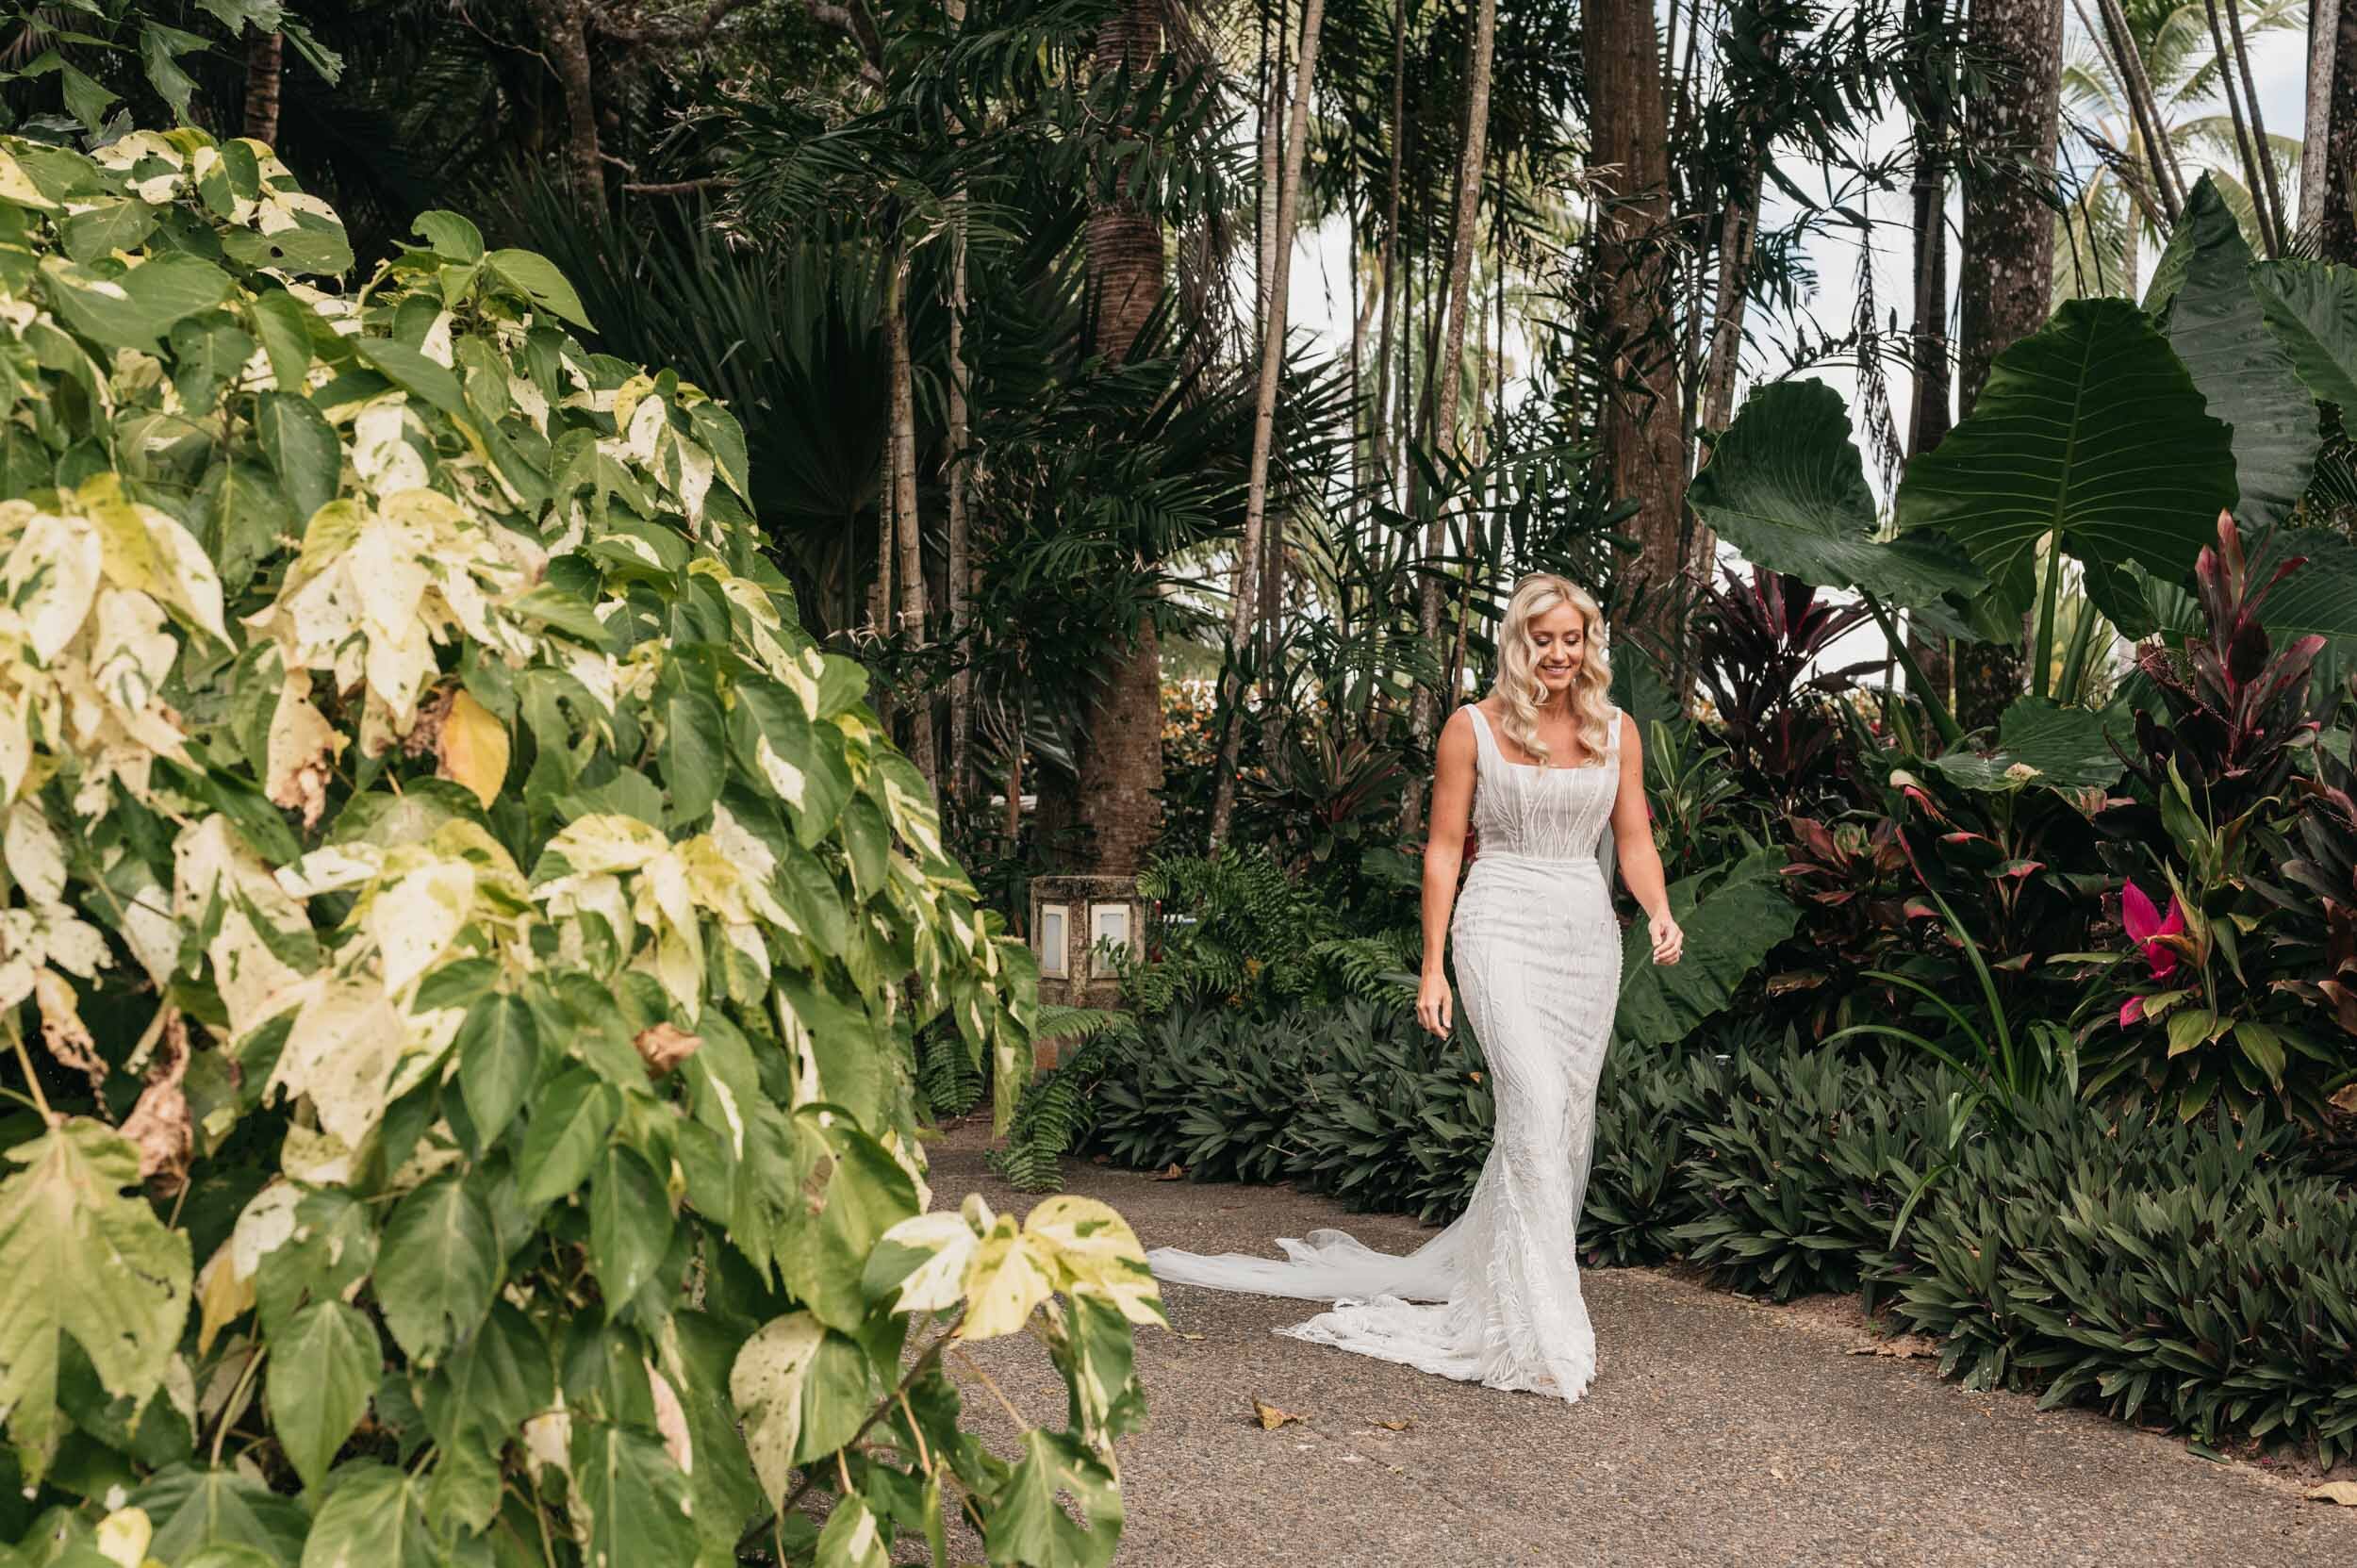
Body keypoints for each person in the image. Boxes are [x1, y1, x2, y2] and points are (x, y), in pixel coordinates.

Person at [1144, 572, 1682, 1402]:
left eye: (1573, 638)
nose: (1560, 653)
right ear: (1518, 641)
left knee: (1564, 1125)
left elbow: (1635, 838)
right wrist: (1433, 963)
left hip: (1585, 939)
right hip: (1498, 924)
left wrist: (1658, 910)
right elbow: (1441, 851)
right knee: (1534, 1104)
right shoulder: (1470, 729)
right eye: (1544, 638)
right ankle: (1545, 1327)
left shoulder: (1618, 731)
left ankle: (1512, 1293)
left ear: (1590, 643)